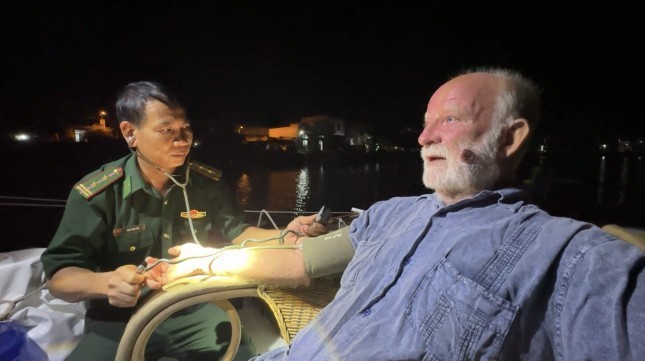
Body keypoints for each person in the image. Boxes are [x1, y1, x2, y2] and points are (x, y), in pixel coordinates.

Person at [146, 68, 645, 360]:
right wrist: (204, 260)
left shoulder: (571, 256)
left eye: (449, 120)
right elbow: (299, 263)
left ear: (511, 138)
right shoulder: (390, 215)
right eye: (426, 124)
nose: (426, 137)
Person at [40, 81, 326, 361]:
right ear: (130, 133)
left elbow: (238, 232)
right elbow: (60, 278)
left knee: (242, 353)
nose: (183, 140)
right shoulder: (97, 194)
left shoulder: (206, 182)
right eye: (166, 130)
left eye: (185, 129)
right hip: (116, 320)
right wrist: (108, 283)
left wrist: (286, 236)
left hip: (192, 307)